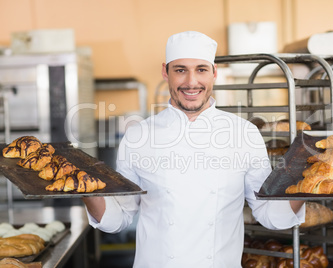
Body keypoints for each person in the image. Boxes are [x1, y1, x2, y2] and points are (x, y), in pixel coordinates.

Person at [83, 31, 305, 268]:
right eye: (180, 70)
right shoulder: (138, 136)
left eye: (201, 69)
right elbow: (118, 219)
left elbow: (270, 215)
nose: (191, 82)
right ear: (164, 72)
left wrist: (306, 182)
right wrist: (83, 190)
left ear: (214, 73)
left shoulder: (244, 134)